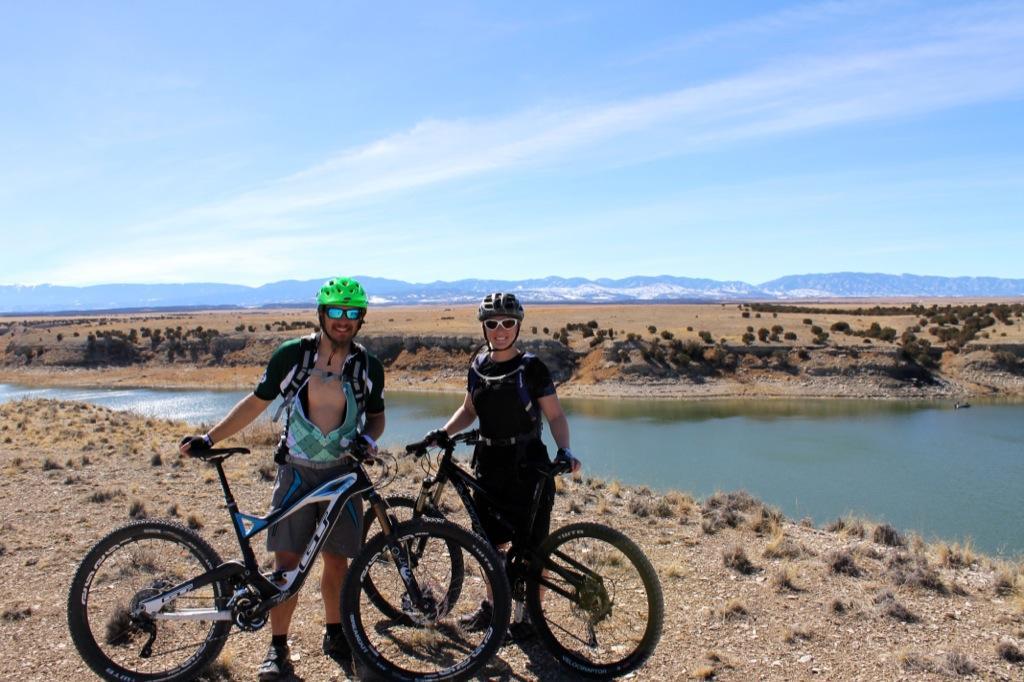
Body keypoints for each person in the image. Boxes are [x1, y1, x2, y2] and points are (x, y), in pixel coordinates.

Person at [179, 276, 385, 681]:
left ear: (361, 319)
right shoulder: (293, 356)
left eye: (352, 313)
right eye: (336, 312)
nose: (343, 320)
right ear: (322, 314)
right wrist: (210, 437)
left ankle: (335, 633)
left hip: (343, 474)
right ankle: (277, 649)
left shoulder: (367, 366)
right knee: (286, 564)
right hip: (297, 472)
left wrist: (368, 440)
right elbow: (257, 402)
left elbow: (376, 416)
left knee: (337, 561)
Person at [421, 292, 580, 631]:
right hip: (489, 465)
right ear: (484, 328)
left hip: (528, 467)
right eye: (492, 324)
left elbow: (555, 416)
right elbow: (468, 410)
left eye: (508, 323)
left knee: (531, 550)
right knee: (488, 544)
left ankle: (529, 619)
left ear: (518, 326)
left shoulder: (531, 368)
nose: (500, 329)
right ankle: (493, 609)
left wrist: (564, 450)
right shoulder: (478, 366)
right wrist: (443, 432)